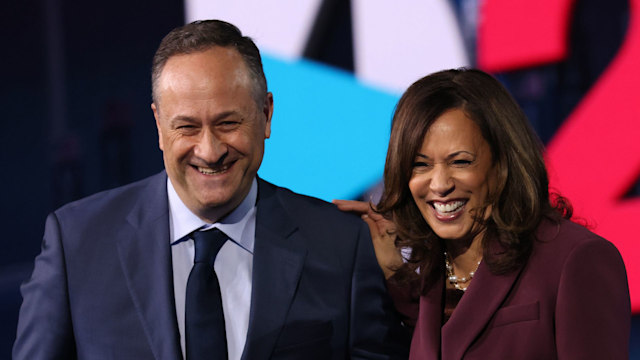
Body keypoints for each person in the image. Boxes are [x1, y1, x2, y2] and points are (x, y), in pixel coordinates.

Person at [13, 20, 409, 359]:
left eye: (228, 123)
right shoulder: (78, 243)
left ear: (266, 114)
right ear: (159, 126)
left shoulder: (341, 245)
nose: (210, 150)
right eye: (187, 126)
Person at [335, 68, 630, 359]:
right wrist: (396, 276)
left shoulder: (576, 259)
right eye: (421, 165)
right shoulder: (434, 269)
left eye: (460, 162)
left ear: (503, 162)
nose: (440, 185)